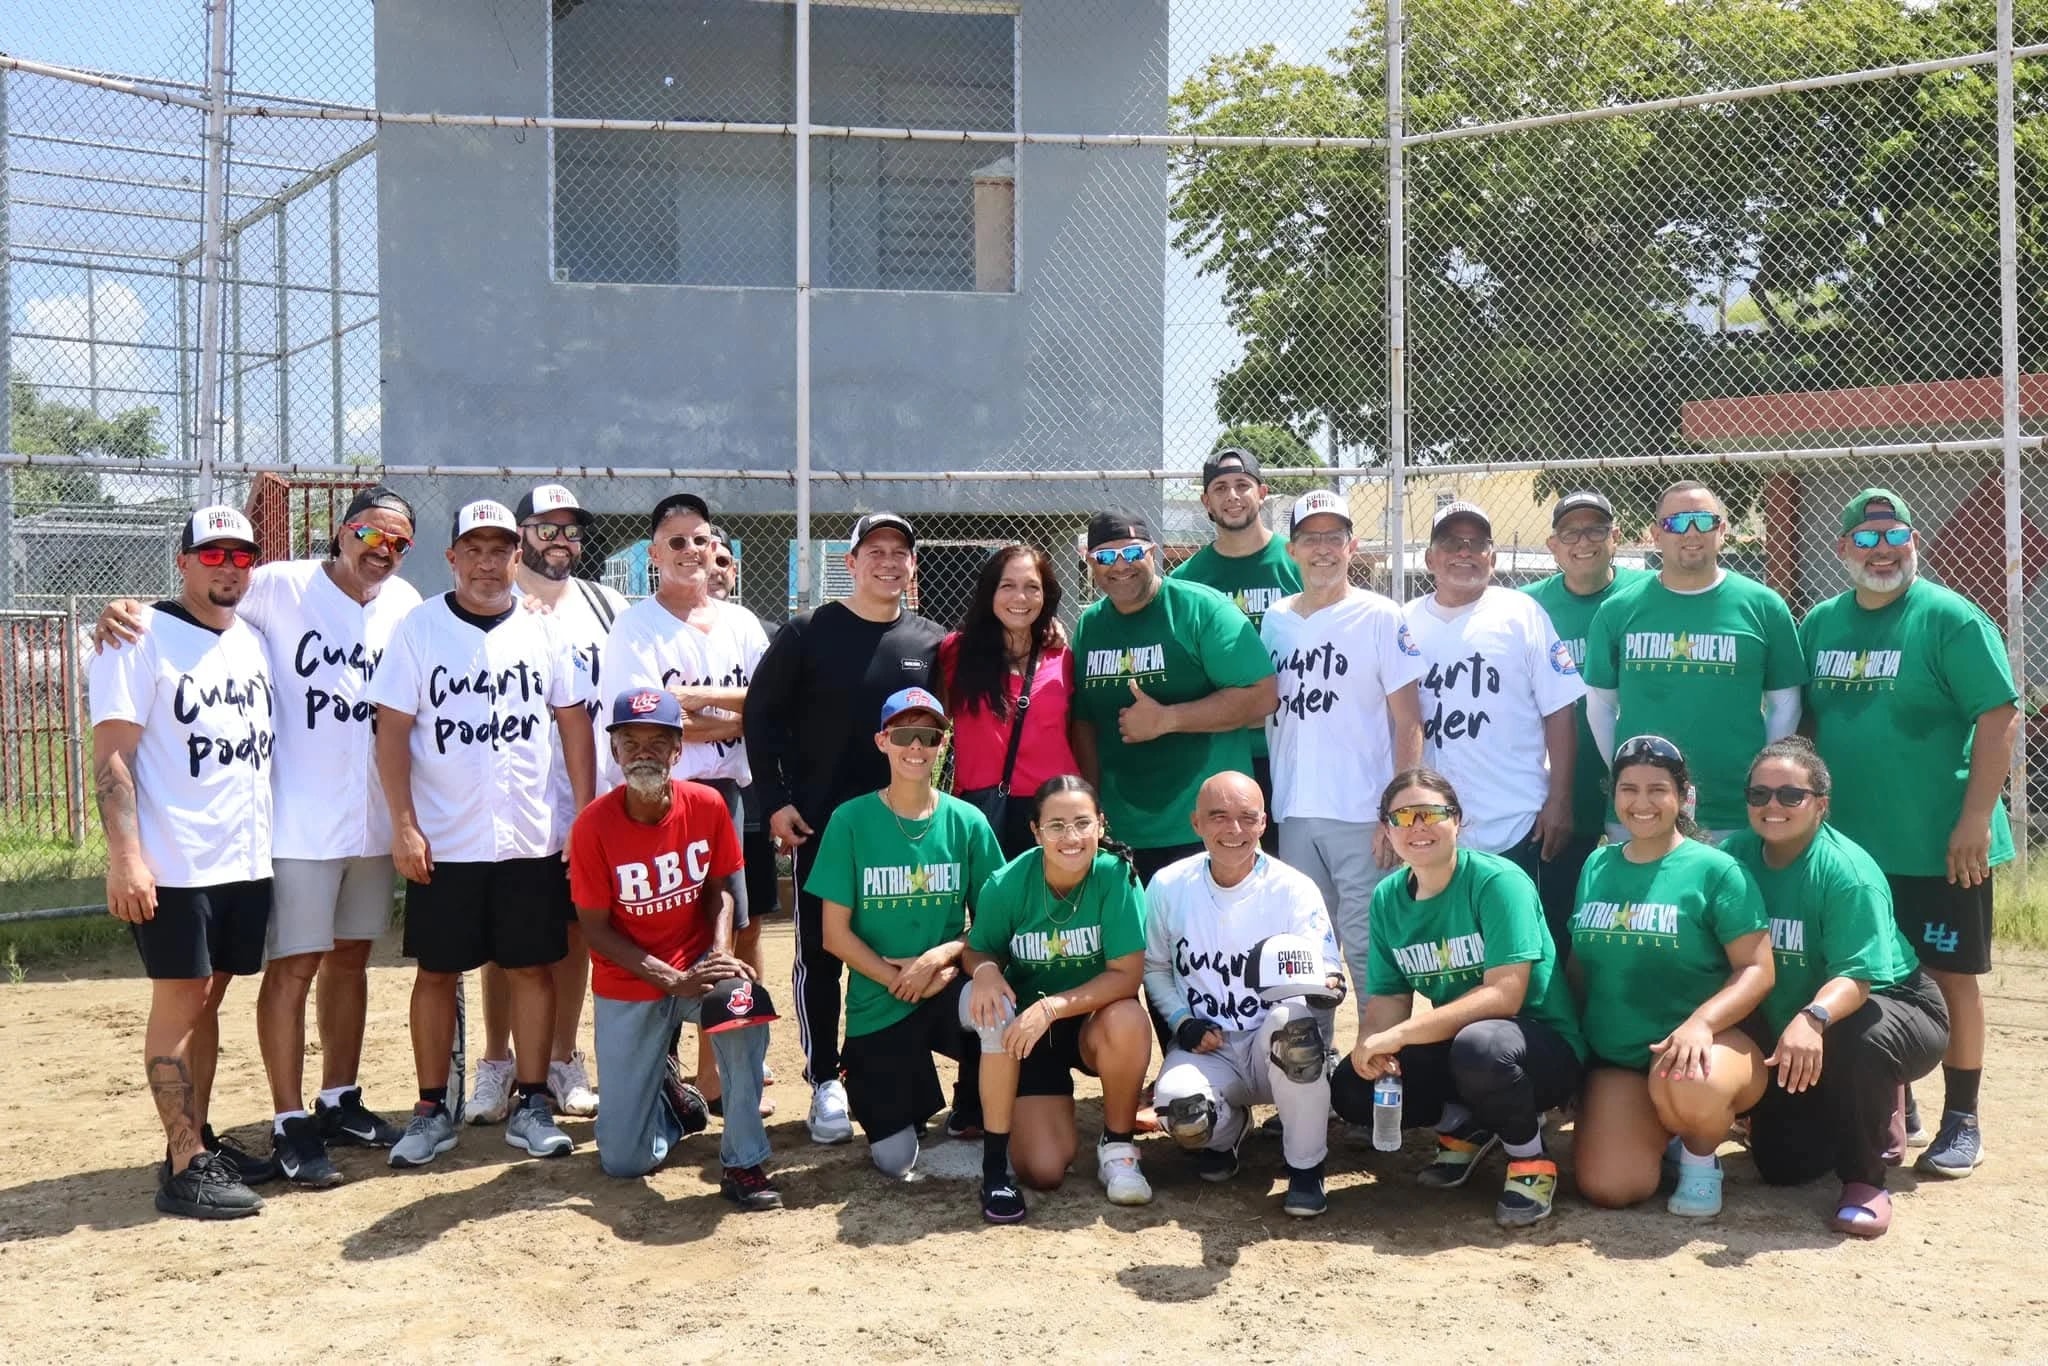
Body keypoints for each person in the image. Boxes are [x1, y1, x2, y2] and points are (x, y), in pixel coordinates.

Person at [92, 486, 424, 1185]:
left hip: (358, 819)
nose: (382, 552)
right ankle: (283, 1119)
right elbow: (184, 617)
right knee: (289, 967)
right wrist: (123, 610)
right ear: (341, 532)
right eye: (369, 536)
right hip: (295, 823)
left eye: (398, 542)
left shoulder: (404, 605)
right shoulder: (279, 587)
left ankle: (335, 1098)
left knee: (349, 958)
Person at [367, 499, 596, 1169]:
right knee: (438, 972)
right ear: (453, 557)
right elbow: (392, 731)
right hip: (446, 836)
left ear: (516, 558)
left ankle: (530, 1100)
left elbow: (574, 724)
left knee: (531, 965)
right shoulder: (419, 628)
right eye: (475, 549)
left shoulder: (544, 630)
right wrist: (404, 825)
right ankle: (431, 1107)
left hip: (528, 833)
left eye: (500, 550)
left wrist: (583, 815)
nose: (489, 563)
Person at [1800, 488, 2019, 1178]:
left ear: (1913, 540)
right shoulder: (1822, 624)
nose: (1882, 551)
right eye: (1865, 541)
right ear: (1842, 552)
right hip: (1854, 849)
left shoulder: (1949, 618)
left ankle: (1963, 1119)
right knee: (1870, 974)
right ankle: (1899, 1099)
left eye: (1895, 536)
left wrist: (1976, 819)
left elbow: (1999, 716)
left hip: (1940, 842)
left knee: (1951, 976)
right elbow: (1805, 722)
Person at [89, 505, 279, 1219]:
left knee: (208, 1004)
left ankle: (200, 1137)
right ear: (184, 561)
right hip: (174, 864)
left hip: (242, 859)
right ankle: (181, 1164)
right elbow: (113, 754)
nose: (228, 567)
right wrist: (125, 858)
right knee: (179, 1006)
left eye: (240, 557)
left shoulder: (252, 641)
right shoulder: (136, 637)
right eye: (213, 555)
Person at [744, 512, 946, 1145]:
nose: (889, 561)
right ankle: (824, 1077)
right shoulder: (808, 633)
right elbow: (760, 717)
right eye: (875, 550)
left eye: (901, 552)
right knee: (819, 953)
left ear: (914, 566)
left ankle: (904, 1066)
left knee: (906, 947)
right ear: (851, 561)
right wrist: (775, 800)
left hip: (904, 829)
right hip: (823, 825)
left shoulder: (932, 643)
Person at [1329, 769, 1586, 1228]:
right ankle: (1465, 1126)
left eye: (1431, 814)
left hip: (1537, 1048)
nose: (1417, 827)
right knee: (1351, 1085)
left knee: (1481, 1046)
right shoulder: (1388, 897)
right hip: (1466, 1043)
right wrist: (1373, 1046)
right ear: (1386, 829)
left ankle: (1530, 1160)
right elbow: (1389, 996)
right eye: (1402, 816)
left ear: (1458, 821)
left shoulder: (1497, 882)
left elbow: (1505, 995)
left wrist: (1401, 1034)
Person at [1720, 738, 1949, 1238]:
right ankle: (1866, 1107)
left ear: (1821, 804)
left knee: (1853, 1039)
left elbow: (1856, 979)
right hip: (1801, 1010)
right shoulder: (1734, 855)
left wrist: (1812, 1018)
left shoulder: (1847, 873)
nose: (1772, 806)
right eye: (1759, 795)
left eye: (1790, 795)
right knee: (1784, 1166)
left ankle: (1866, 1180)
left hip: (1891, 1004)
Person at [568, 687, 781, 1209]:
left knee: (742, 1002)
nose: (644, 752)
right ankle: (671, 1102)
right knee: (623, 1161)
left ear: (677, 750)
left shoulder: (706, 805)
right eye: (631, 741)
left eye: (658, 742)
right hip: (629, 984)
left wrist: (717, 953)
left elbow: (722, 893)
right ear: (614, 750)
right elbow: (595, 930)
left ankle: (745, 1161)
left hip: (694, 967)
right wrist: (670, 979)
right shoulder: (592, 827)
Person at [604, 493, 773, 1113]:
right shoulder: (635, 625)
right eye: (676, 542)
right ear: (653, 554)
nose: (690, 552)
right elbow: (646, 730)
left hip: (730, 791)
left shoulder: (742, 623)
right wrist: (727, 709)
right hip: (658, 796)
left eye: (700, 540)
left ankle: (719, 1074)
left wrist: (692, 703)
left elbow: (767, 708)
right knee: (665, 931)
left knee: (739, 928)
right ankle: (663, 1077)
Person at [466, 483, 623, 1126]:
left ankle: (562, 1057)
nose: (560, 539)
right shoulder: (497, 603)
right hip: (518, 796)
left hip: (588, 797)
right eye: (545, 527)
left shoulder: (607, 604)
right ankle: (497, 1061)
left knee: (574, 931)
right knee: (508, 941)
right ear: (519, 535)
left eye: (570, 529)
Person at [1569, 735, 1774, 1217]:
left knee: (1688, 1084)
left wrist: (1701, 1024)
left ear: (1684, 798)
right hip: (1621, 1059)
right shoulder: (1597, 864)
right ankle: (1658, 1131)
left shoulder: (1717, 869)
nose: (1642, 803)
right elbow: (1580, 965)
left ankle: (1701, 1158)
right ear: (1614, 796)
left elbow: (1757, 969)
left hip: (1702, 1049)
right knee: (1610, 1187)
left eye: (1658, 789)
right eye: (1629, 789)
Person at [810, 688, 1005, 1178]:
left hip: (942, 984)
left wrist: (937, 958)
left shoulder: (967, 821)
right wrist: (898, 977)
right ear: (882, 741)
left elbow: (994, 926)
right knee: (895, 1159)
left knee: (998, 1007)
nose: (916, 747)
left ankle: (979, 1109)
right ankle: (904, 1097)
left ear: (942, 743)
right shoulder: (850, 820)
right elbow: (834, 935)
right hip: (878, 1000)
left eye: (928, 736)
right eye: (903, 735)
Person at [1145, 772, 1345, 1218]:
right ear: (1196, 822)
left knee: (1294, 1033)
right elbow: (1155, 968)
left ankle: (1306, 1167)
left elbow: (1326, 967)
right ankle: (1228, 1131)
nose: (1233, 830)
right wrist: (1182, 1021)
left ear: (1262, 824)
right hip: (1210, 1047)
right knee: (1181, 1112)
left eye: (1246, 818)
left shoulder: (1294, 888)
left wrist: (1328, 989)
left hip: (1271, 1041)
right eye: (1218, 817)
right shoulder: (1168, 886)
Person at [960, 776, 1155, 1222]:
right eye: (1057, 826)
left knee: (1128, 1019)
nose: (1071, 837)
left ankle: (1119, 1144)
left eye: (1082, 823)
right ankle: (1021, 1115)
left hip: (1090, 1019)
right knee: (1043, 1169)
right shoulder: (1008, 882)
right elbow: (978, 947)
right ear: (1035, 831)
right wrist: (987, 971)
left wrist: (1053, 1007)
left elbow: (1126, 977)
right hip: (1029, 1034)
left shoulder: (1116, 875)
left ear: (1101, 825)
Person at [1260, 489, 1425, 991]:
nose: (1323, 549)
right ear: (1292, 549)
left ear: (1352, 547)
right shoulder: (1275, 619)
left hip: (1360, 810)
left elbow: (1409, 721)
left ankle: (1380, 1060)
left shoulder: (1381, 615)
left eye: (1334, 537)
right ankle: (1317, 1062)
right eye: (1311, 538)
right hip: (1294, 809)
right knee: (1305, 949)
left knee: (1363, 944)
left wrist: (1393, 812)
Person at [1584, 480, 1805, 840]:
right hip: (1642, 809)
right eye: (1675, 523)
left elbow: (1786, 702)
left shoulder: (1764, 607)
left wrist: (1761, 778)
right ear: (1656, 534)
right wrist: (1626, 773)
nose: (1690, 532)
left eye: (1703, 521)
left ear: (1722, 530)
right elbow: (1600, 706)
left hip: (1734, 808)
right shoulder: (1618, 610)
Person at [1069, 510, 1278, 883]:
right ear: (1090, 562)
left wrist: (1169, 719)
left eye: (1132, 553)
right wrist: (1091, 802)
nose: (1120, 566)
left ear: (1153, 553)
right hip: (1124, 829)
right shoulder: (1090, 624)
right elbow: (1084, 719)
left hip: (1205, 829)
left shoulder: (1201, 610)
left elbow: (1263, 696)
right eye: (1105, 557)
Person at [1403, 500, 1583, 892]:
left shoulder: (1522, 613)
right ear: (1431, 558)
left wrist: (1559, 801)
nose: (1464, 552)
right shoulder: (1404, 621)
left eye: (1476, 543)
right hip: (1431, 821)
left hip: (1516, 816)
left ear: (1493, 557)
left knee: (1520, 939)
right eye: (1451, 543)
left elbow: (1560, 710)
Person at [1520, 490, 1652, 954]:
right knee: (1558, 912)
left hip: (1640, 779)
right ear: (1553, 546)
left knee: (1636, 914)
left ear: (1616, 537)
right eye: (1570, 532)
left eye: (1596, 529)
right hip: (1562, 784)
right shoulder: (1526, 606)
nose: (1584, 542)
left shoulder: (1649, 593)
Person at [1168, 446, 1302, 846]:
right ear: (1205, 501)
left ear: (1262, 493)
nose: (1232, 496)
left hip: (1293, 746)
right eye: (1220, 487)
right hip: (1225, 749)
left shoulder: (1296, 562)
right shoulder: (1187, 580)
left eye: (1243, 485)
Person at [939, 543, 1079, 857]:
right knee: (988, 903)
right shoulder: (956, 652)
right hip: (982, 807)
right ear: (990, 592)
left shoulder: (1062, 656)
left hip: (1053, 809)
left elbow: (1073, 732)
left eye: (1032, 587)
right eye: (1008, 586)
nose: (1020, 598)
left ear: (1046, 596)